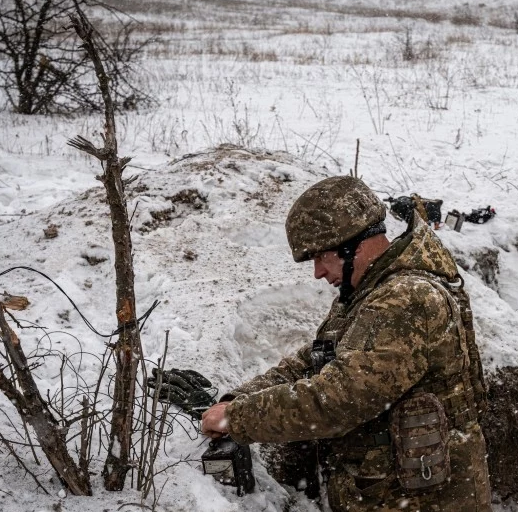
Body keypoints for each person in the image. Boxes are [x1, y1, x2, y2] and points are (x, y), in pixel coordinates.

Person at [200, 176, 492, 511]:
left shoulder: (406, 300)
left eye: (323, 257)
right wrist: (237, 399)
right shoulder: (366, 293)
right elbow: (313, 360)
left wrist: (238, 418)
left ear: (356, 243)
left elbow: (338, 400)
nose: (318, 272)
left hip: (425, 500)